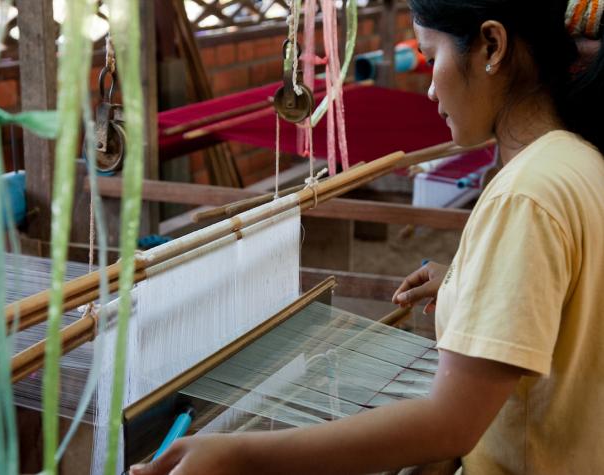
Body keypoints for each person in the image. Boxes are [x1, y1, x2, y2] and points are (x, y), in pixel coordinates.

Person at [131, 1, 604, 473]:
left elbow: (450, 425)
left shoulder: (523, 197)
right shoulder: (578, 162)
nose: (431, 89)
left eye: (430, 57)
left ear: (492, 46)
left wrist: (237, 454)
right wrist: (469, 284)